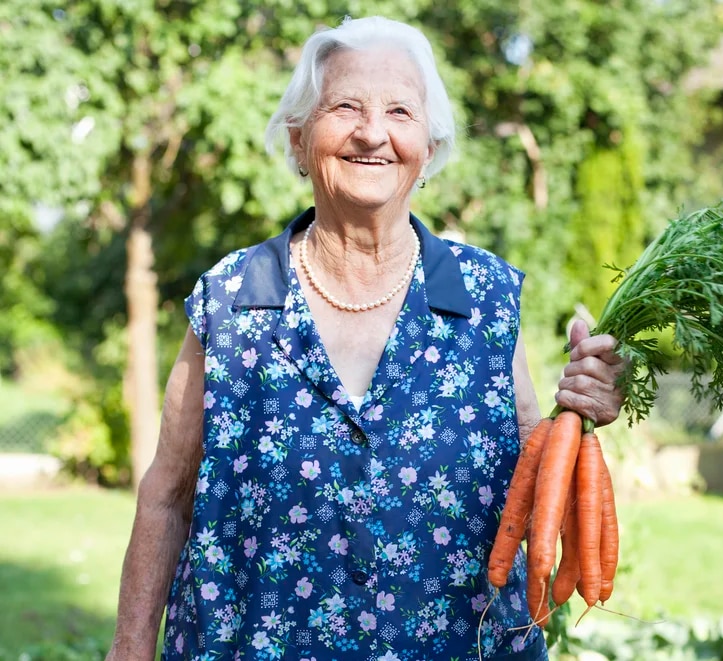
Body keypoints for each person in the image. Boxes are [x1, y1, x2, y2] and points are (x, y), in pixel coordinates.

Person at [106, 16, 625, 661]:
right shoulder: (234, 297)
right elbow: (167, 493)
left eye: (400, 111)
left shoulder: (485, 297)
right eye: (345, 106)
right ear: (299, 140)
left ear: (428, 149)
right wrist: (129, 651)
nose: (372, 132)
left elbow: (529, 483)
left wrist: (581, 415)